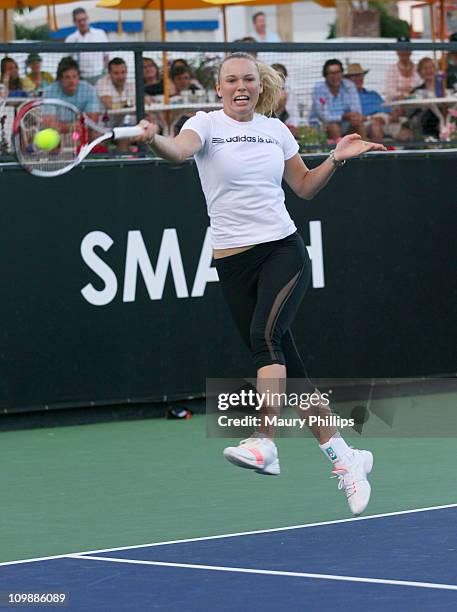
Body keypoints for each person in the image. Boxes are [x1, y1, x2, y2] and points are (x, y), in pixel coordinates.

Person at [135, 52, 385, 516]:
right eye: (231, 80)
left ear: (258, 85)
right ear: (219, 88)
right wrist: (154, 139)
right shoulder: (204, 124)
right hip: (232, 263)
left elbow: (305, 187)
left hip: (282, 250)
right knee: (292, 371)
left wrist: (336, 158)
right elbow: (178, 153)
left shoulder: (276, 130)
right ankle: (346, 458)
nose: (240, 86)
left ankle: (265, 441)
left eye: (248, 78)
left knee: (264, 338)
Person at [309, 59, 364, 140]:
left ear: (342, 73)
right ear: (325, 75)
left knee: (359, 126)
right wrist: (342, 117)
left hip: (346, 123)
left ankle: (366, 152)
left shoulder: (349, 86)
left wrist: (355, 117)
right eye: (332, 73)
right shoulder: (319, 88)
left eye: (338, 72)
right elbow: (324, 116)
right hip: (321, 125)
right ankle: (338, 152)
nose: (335, 76)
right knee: (333, 127)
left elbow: (357, 110)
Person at [44, 57, 100, 123]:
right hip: (57, 132)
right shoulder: (50, 92)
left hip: (82, 131)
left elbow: (93, 121)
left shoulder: (89, 90)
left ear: (79, 77)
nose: (72, 81)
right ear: (60, 79)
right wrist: (73, 127)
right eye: (67, 77)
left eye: (74, 76)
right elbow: (50, 123)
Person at [65, 8, 109, 84]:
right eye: (79, 21)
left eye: (84, 19)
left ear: (87, 19)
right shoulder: (70, 39)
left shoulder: (100, 34)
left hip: (99, 75)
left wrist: (105, 72)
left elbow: (106, 56)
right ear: (74, 22)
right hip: (80, 78)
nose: (82, 23)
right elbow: (67, 60)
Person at [408, 57, 440, 139]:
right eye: (425, 68)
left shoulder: (443, 87)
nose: (429, 71)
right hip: (424, 121)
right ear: (420, 72)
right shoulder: (416, 90)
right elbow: (411, 111)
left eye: (431, 67)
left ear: (436, 70)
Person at [384, 36, 421, 101]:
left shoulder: (418, 68)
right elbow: (391, 93)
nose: (404, 51)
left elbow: (421, 89)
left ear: (411, 50)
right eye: (401, 48)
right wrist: (407, 95)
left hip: (416, 104)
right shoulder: (392, 70)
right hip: (396, 106)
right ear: (396, 51)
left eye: (406, 48)